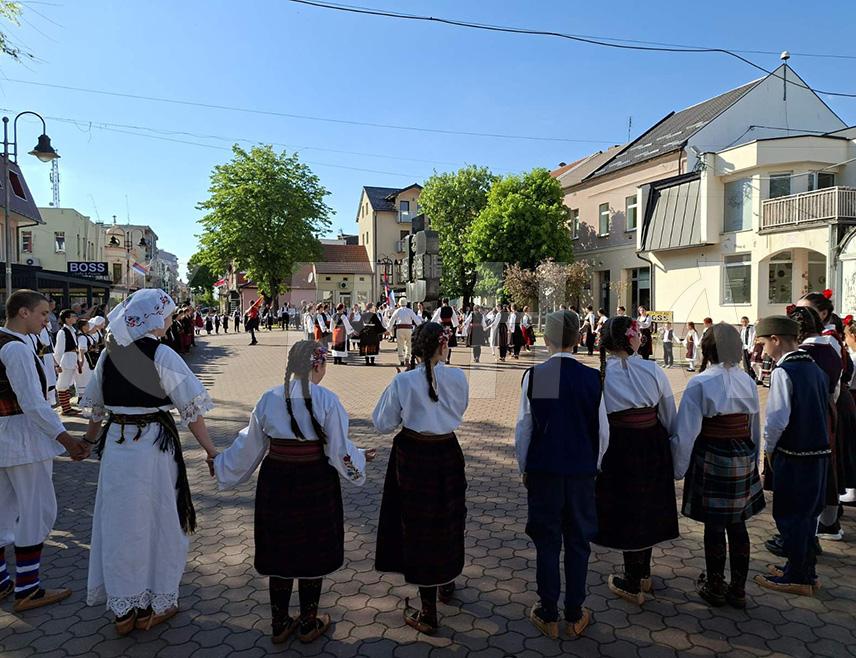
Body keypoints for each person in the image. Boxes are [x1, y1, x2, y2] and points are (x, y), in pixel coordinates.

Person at [215, 341, 376, 644]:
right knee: (312, 547)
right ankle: (308, 622)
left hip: (277, 480)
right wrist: (357, 459)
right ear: (318, 365)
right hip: (315, 480)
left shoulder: (268, 398)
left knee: (279, 546)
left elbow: (249, 446)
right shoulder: (328, 400)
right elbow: (337, 449)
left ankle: (279, 623)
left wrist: (221, 464)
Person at [81, 289, 218, 635]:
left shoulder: (108, 356)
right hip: (153, 450)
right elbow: (192, 410)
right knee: (157, 521)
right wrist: (211, 451)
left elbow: (96, 410)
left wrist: (86, 441)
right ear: (153, 318)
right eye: (168, 314)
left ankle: (124, 611)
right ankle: (155, 603)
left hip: (117, 445)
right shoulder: (163, 355)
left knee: (120, 525)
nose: (171, 319)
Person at [514, 311, 607, 639]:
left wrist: (524, 467)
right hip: (580, 472)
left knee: (547, 541)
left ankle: (548, 612)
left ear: (546, 339)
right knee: (578, 541)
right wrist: (592, 466)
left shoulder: (537, 375)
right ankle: (575, 612)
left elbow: (525, 428)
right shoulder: (592, 377)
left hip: (544, 470)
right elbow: (603, 432)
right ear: (579, 339)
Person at [373, 323, 469, 634]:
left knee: (418, 524)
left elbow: (381, 423)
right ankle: (447, 580)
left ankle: (428, 611)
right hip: (446, 451)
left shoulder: (403, 381)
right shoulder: (457, 377)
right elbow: (460, 409)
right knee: (449, 515)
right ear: (442, 347)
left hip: (414, 456)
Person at [0, 290, 90, 613]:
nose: (46, 320)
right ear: (23, 313)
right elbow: (34, 404)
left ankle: (2, 582)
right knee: (37, 510)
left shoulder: (7, 343)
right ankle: (28, 588)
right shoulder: (15, 349)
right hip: (22, 440)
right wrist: (66, 439)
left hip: (5, 439)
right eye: (42, 314)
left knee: (3, 511)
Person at [671, 324, 764, 609]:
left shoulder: (700, 383)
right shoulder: (748, 380)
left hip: (711, 454)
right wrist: (754, 461)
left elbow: (686, 433)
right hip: (742, 455)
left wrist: (677, 469)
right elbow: (754, 426)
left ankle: (714, 586)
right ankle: (738, 590)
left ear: (706, 348)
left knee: (714, 526)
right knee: (738, 524)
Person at [596, 316, 678, 605]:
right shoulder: (653, 370)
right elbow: (669, 414)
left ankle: (634, 579)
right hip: (652, 442)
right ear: (630, 339)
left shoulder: (603, 376)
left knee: (628, 508)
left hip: (621, 446)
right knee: (648, 505)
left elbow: (600, 424)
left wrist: (598, 460)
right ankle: (643, 572)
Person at [753, 316, 829, 597]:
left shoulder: (785, 371)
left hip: (794, 454)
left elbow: (775, 420)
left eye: (763, 343)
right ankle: (804, 569)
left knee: (790, 514)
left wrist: (768, 451)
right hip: (819, 454)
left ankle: (798, 575)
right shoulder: (815, 368)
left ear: (776, 339)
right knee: (808, 515)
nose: (762, 350)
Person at [797, 290, 856, 519]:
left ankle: (828, 522)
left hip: (832, 405)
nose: (801, 316)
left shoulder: (825, 341)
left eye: (807, 311)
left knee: (830, 463)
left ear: (822, 313)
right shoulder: (824, 339)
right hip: (832, 403)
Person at [53, 309, 80, 416]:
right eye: (73, 316)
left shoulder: (72, 330)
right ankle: (65, 409)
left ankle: (67, 407)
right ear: (67, 318)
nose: (75, 318)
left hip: (71, 359)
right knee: (62, 385)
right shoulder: (62, 332)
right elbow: (58, 350)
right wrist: (58, 364)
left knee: (67, 385)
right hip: (66, 361)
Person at [389, 298, 423, 366]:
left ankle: (401, 359)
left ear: (399, 303)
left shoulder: (397, 311)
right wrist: (421, 327)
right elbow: (416, 319)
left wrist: (388, 329)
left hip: (400, 329)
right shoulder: (410, 311)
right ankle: (407, 357)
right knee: (409, 344)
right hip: (408, 329)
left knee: (400, 344)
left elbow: (392, 320)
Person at [432, 299, 458, 365]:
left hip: (442, 326)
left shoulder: (440, 309)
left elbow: (434, 319)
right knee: (448, 343)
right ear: (448, 302)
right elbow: (455, 319)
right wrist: (455, 326)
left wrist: (432, 324)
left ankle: (441, 358)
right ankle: (448, 359)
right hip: (449, 326)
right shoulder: (451, 309)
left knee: (441, 342)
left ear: (442, 302)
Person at [739, 317, 756, 381]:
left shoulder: (750, 329)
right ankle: (748, 375)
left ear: (748, 321)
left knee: (749, 362)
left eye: (745, 321)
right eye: (743, 322)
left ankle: (751, 375)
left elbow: (751, 338)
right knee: (745, 363)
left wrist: (750, 348)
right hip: (743, 347)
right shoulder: (742, 329)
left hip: (748, 348)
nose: (744, 323)